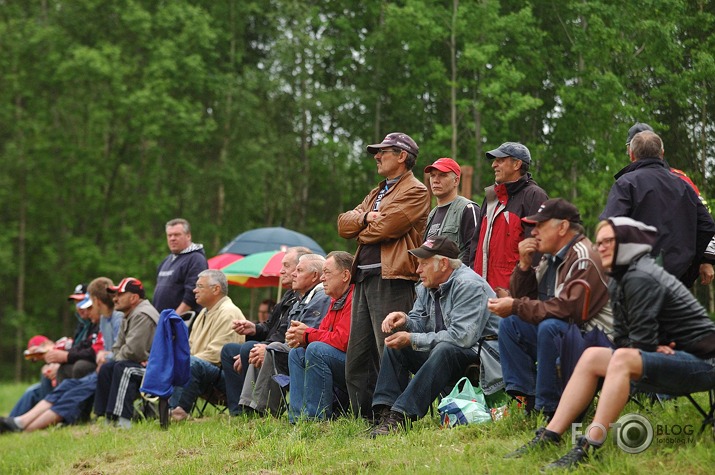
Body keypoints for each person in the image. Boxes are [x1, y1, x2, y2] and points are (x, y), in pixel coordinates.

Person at [506, 217, 715, 470]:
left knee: (623, 358)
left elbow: (639, 343)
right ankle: (550, 434)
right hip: (668, 356)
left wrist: (647, 346)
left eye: (609, 242)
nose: (600, 247)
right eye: (599, 241)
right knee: (594, 355)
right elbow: (625, 337)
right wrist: (647, 346)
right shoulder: (618, 278)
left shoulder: (641, 275)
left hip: (703, 361)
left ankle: (589, 445)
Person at [487, 198, 612, 419]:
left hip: (597, 338)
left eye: (540, 225)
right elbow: (525, 299)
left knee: (550, 326)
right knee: (510, 324)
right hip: (567, 334)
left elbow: (568, 310)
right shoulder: (550, 258)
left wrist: (516, 305)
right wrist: (524, 266)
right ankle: (529, 397)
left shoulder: (584, 256)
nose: (534, 232)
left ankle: (550, 408)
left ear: (563, 227)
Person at [369, 236, 503, 436]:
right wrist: (405, 320)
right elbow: (419, 322)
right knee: (397, 345)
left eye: (423, 264)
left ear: (443, 263)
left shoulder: (468, 285)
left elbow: (462, 338)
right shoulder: (425, 286)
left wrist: (412, 338)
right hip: (448, 351)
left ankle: (402, 416)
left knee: (443, 348)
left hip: (482, 354)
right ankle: (385, 414)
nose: (417, 270)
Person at [337, 132, 430, 418]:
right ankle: (366, 417)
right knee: (359, 356)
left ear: (402, 156)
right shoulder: (377, 193)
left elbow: (386, 229)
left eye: (383, 152)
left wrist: (362, 227)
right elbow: (342, 224)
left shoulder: (416, 191)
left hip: (393, 279)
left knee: (389, 350)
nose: (377, 156)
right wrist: (366, 217)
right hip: (364, 278)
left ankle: (395, 415)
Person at [601, 130, 715, 287]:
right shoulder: (683, 185)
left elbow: (609, 229)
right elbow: (707, 225)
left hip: (639, 280)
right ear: (662, 153)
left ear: (632, 155)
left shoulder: (626, 184)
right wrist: (690, 262)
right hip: (677, 281)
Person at [220, 247, 309, 415]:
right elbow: (269, 326)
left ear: (301, 268)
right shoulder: (289, 295)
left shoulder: (304, 298)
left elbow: (285, 333)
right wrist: (253, 328)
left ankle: (256, 409)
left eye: (286, 266)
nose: (281, 270)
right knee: (228, 350)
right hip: (273, 344)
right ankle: (236, 409)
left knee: (249, 349)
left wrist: (264, 346)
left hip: (285, 350)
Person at [239, 254, 330, 415]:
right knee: (259, 348)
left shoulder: (321, 297)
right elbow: (288, 330)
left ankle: (263, 410)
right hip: (295, 348)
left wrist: (268, 346)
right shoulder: (300, 298)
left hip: (308, 352)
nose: (293, 273)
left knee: (270, 349)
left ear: (315, 275)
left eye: (299, 270)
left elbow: (303, 334)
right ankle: (248, 406)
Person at [0, 294, 106, 432]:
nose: (81, 309)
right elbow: (82, 346)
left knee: (67, 387)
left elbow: (96, 350)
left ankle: (22, 426)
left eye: (87, 306)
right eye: (77, 304)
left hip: (101, 369)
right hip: (95, 368)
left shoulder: (107, 322)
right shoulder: (89, 324)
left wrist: (65, 357)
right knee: (49, 386)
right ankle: (18, 422)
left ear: (98, 303)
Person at [469, 142, 549, 292]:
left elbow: (538, 250)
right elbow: (476, 244)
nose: (494, 165)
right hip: (480, 293)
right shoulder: (491, 196)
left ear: (517, 164)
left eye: (500, 160)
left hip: (512, 295)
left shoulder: (534, 196)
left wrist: (520, 293)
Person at [169, 270, 245, 421]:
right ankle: (168, 410)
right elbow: (189, 347)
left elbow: (217, 355)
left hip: (226, 375)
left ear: (216, 289)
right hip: (203, 369)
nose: (194, 290)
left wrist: (184, 361)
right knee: (174, 361)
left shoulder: (229, 312)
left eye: (199, 286)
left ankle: (177, 413)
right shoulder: (204, 312)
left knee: (189, 363)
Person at [287, 251, 354, 421]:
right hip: (340, 361)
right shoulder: (335, 300)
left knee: (316, 349)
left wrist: (307, 334)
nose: (322, 278)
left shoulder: (355, 297)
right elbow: (325, 333)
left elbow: (343, 341)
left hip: (359, 367)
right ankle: (296, 418)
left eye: (327, 273)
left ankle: (316, 418)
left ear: (345, 275)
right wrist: (300, 336)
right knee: (296, 352)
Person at [94, 278, 159, 428]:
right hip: (139, 363)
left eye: (119, 295)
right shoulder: (129, 314)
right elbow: (118, 347)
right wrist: (117, 356)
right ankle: (107, 417)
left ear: (134, 298)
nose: (115, 299)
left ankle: (124, 421)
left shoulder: (142, 314)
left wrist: (117, 356)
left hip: (155, 370)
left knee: (123, 368)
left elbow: (132, 351)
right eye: (114, 295)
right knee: (107, 368)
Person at [423, 157, 479, 264]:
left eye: (443, 175)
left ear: (456, 181)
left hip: (457, 278)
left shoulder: (468, 209)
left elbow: (474, 251)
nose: (435, 180)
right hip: (434, 279)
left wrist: (460, 278)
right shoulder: (432, 214)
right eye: (432, 175)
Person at [153, 218, 208, 314]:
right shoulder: (166, 260)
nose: (172, 238)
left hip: (181, 324)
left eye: (177, 235)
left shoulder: (196, 259)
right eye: (169, 235)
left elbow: (192, 296)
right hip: (162, 321)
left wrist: (174, 319)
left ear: (188, 236)